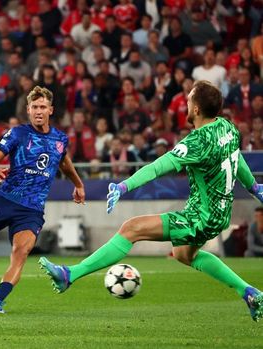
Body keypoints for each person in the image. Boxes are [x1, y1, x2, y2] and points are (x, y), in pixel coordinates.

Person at [39, 80, 263, 322]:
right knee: (183, 255)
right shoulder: (227, 128)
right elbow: (236, 157)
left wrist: (124, 185)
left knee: (131, 228)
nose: (186, 103)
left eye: (189, 100)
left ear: (196, 109)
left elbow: (158, 167)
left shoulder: (196, 142)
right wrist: (253, 186)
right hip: (220, 214)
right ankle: (248, 292)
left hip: (201, 217)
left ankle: (69, 275)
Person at [0, 86, 85, 313]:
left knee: (20, 252)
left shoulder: (60, 140)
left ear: (50, 110)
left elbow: (64, 163)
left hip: (31, 210)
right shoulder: (17, 134)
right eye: (34, 107)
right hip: (4, 199)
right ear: (28, 110)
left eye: (42, 107)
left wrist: (78, 184)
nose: (38, 111)